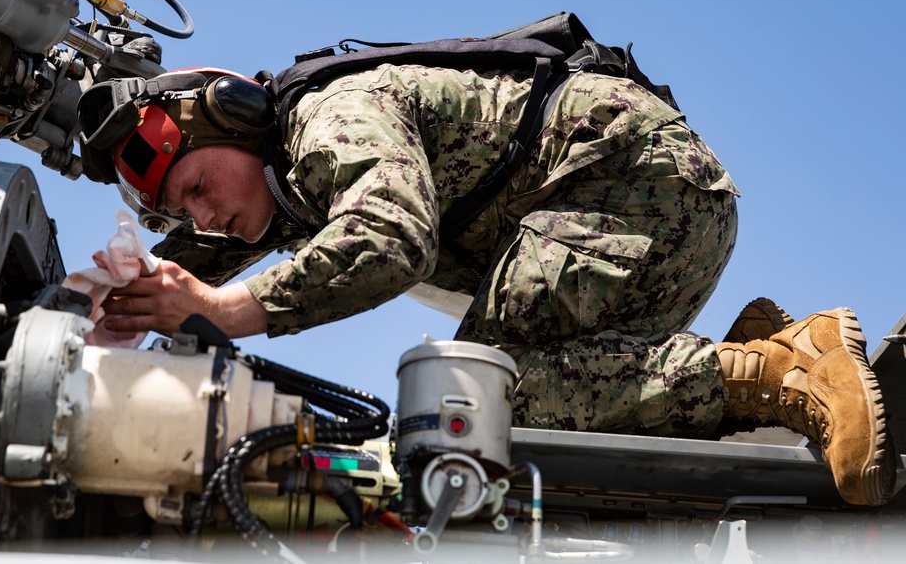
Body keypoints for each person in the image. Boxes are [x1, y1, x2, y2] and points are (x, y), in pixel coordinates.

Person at [86, 45, 894, 507]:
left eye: (196, 188)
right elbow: (190, 268)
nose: (204, 217)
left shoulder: (329, 118)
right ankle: (738, 366)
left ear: (241, 114)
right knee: (521, 412)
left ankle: (779, 369)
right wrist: (104, 304)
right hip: (649, 207)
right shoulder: (274, 186)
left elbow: (388, 237)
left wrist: (226, 309)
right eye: (181, 214)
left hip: (626, 188)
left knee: (473, 402)